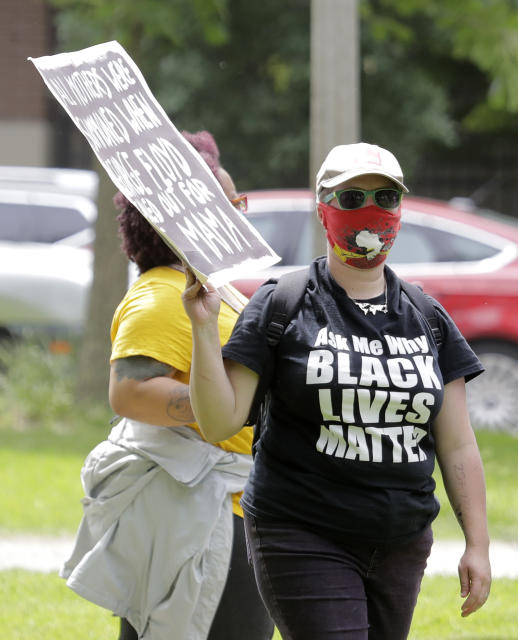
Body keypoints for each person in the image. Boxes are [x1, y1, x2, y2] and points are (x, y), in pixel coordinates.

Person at [182, 142, 491, 639]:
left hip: (401, 541)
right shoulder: (281, 304)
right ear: (322, 210)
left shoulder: (427, 316)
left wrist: (478, 544)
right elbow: (220, 422)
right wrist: (201, 326)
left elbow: (457, 443)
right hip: (301, 531)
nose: (370, 210)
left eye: (385, 197)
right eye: (351, 199)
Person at [60, 131, 275, 640]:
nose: (240, 214)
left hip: (235, 506)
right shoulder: (160, 296)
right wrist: (229, 407)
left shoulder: (208, 287)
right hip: (205, 515)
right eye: (229, 203)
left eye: (238, 201)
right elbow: (129, 393)